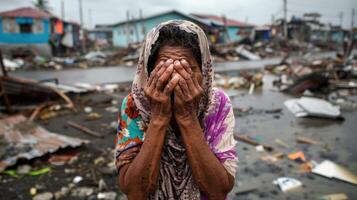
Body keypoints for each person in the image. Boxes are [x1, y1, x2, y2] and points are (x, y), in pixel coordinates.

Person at [114, 20, 238, 200]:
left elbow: (218, 191)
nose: (176, 79)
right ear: (149, 73)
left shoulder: (216, 104)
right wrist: (158, 118)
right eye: (165, 69)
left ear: (204, 72)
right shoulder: (134, 106)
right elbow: (134, 193)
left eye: (187, 70)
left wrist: (187, 117)